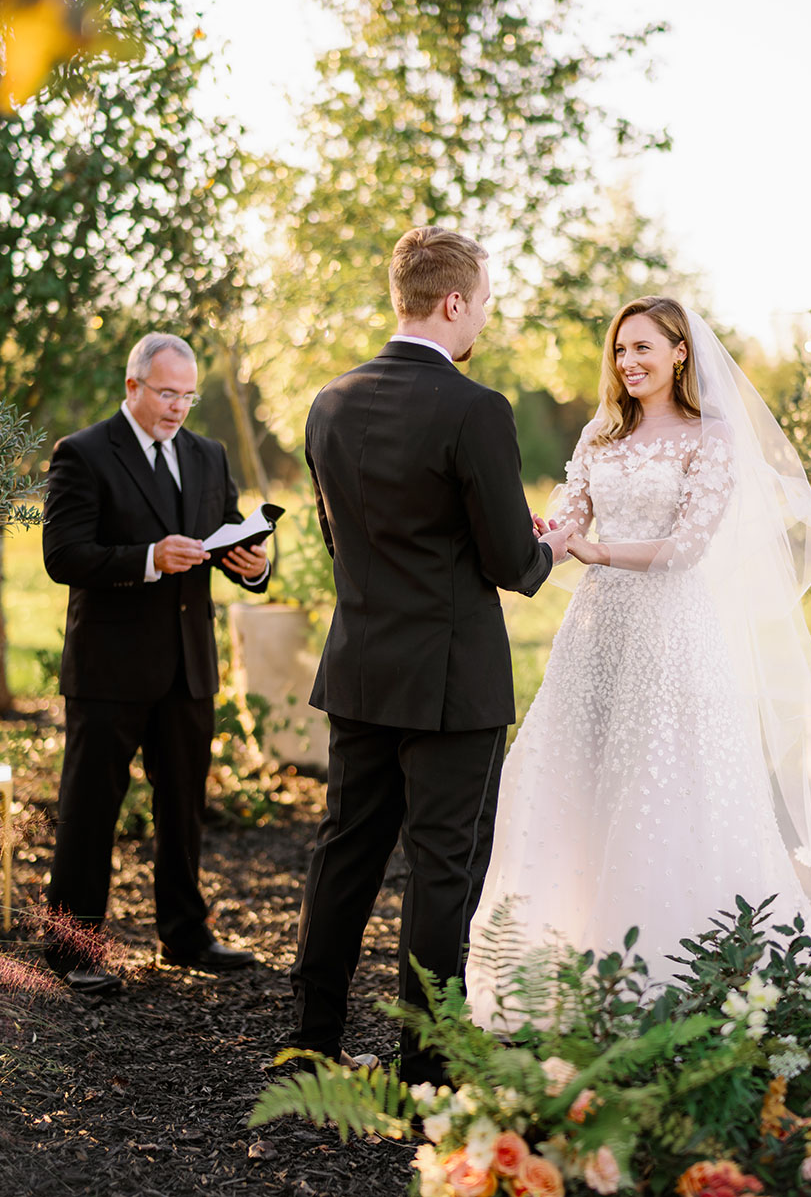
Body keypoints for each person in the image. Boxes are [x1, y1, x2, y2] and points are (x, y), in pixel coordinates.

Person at [466, 296, 811, 1028]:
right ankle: (574, 957)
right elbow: (572, 516)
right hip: (595, 633)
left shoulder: (709, 437)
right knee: (581, 773)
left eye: (643, 349)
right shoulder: (601, 432)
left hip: (672, 631)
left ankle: (679, 967)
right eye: (620, 351)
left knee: (664, 778)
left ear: (680, 353)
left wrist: (594, 550)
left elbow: (688, 548)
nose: (628, 363)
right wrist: (553, 530)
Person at [290, 226, 572, 1082]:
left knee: (346, 849)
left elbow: (342, 543)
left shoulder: (328, 402)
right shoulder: (475, 409)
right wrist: (549, 545)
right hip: (452, 681)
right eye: (482, 301)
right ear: (454, 302)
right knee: (443, 867)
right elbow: (507, 562)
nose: (482, 315)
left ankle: (309, 1033)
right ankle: (427, 1063)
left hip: (361, 663)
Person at [43, 332, 270, 992]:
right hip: (109, 670)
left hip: (188, 667)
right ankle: (73, 951)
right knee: (89, 812)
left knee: (184, 807)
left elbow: (226, 530)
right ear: (133, 386)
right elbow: (63, 556)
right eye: (167, 393)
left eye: (187, 395)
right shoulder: (82, 453)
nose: (178, 407)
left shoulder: (208, 454)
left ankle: (186, 935)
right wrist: (147, 559)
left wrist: (251, 566)